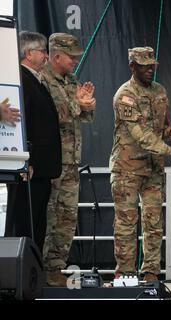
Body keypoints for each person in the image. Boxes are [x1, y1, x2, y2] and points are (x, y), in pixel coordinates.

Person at [109, 47, 171, 282]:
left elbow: (163, 128)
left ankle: (150, 273)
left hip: (153, 169)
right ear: (132, 66)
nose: (149, 69)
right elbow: (140, 134)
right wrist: (170, 150)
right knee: (126, 224)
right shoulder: (125, 95)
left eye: (151, 65)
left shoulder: (160, 91)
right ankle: (125, 274)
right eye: (143, 65)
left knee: (154, 222)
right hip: (127, 169)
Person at [41, 33, 96, 286]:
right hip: (52, 162)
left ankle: (55, 268)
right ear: (56, 55)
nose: (76, 60)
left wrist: (87, 104)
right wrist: (78, 103)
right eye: (71, 56)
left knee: (67, 217)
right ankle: (38, 267)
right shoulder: (42, 79)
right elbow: (53, 114)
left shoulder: (70, 80)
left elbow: (82, 117)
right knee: (49, 215)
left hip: (72, 161)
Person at [5, 31, 62, 254]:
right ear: (29, 53)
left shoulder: (34, 79)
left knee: (37, 224)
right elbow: (20, 124)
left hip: (41, 168)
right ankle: (21, 271)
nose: (46, 56)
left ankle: (32, 272)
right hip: (30, 167)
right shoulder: (20, 79)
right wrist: (25, 160)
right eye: (42, 51)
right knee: (26, 224)